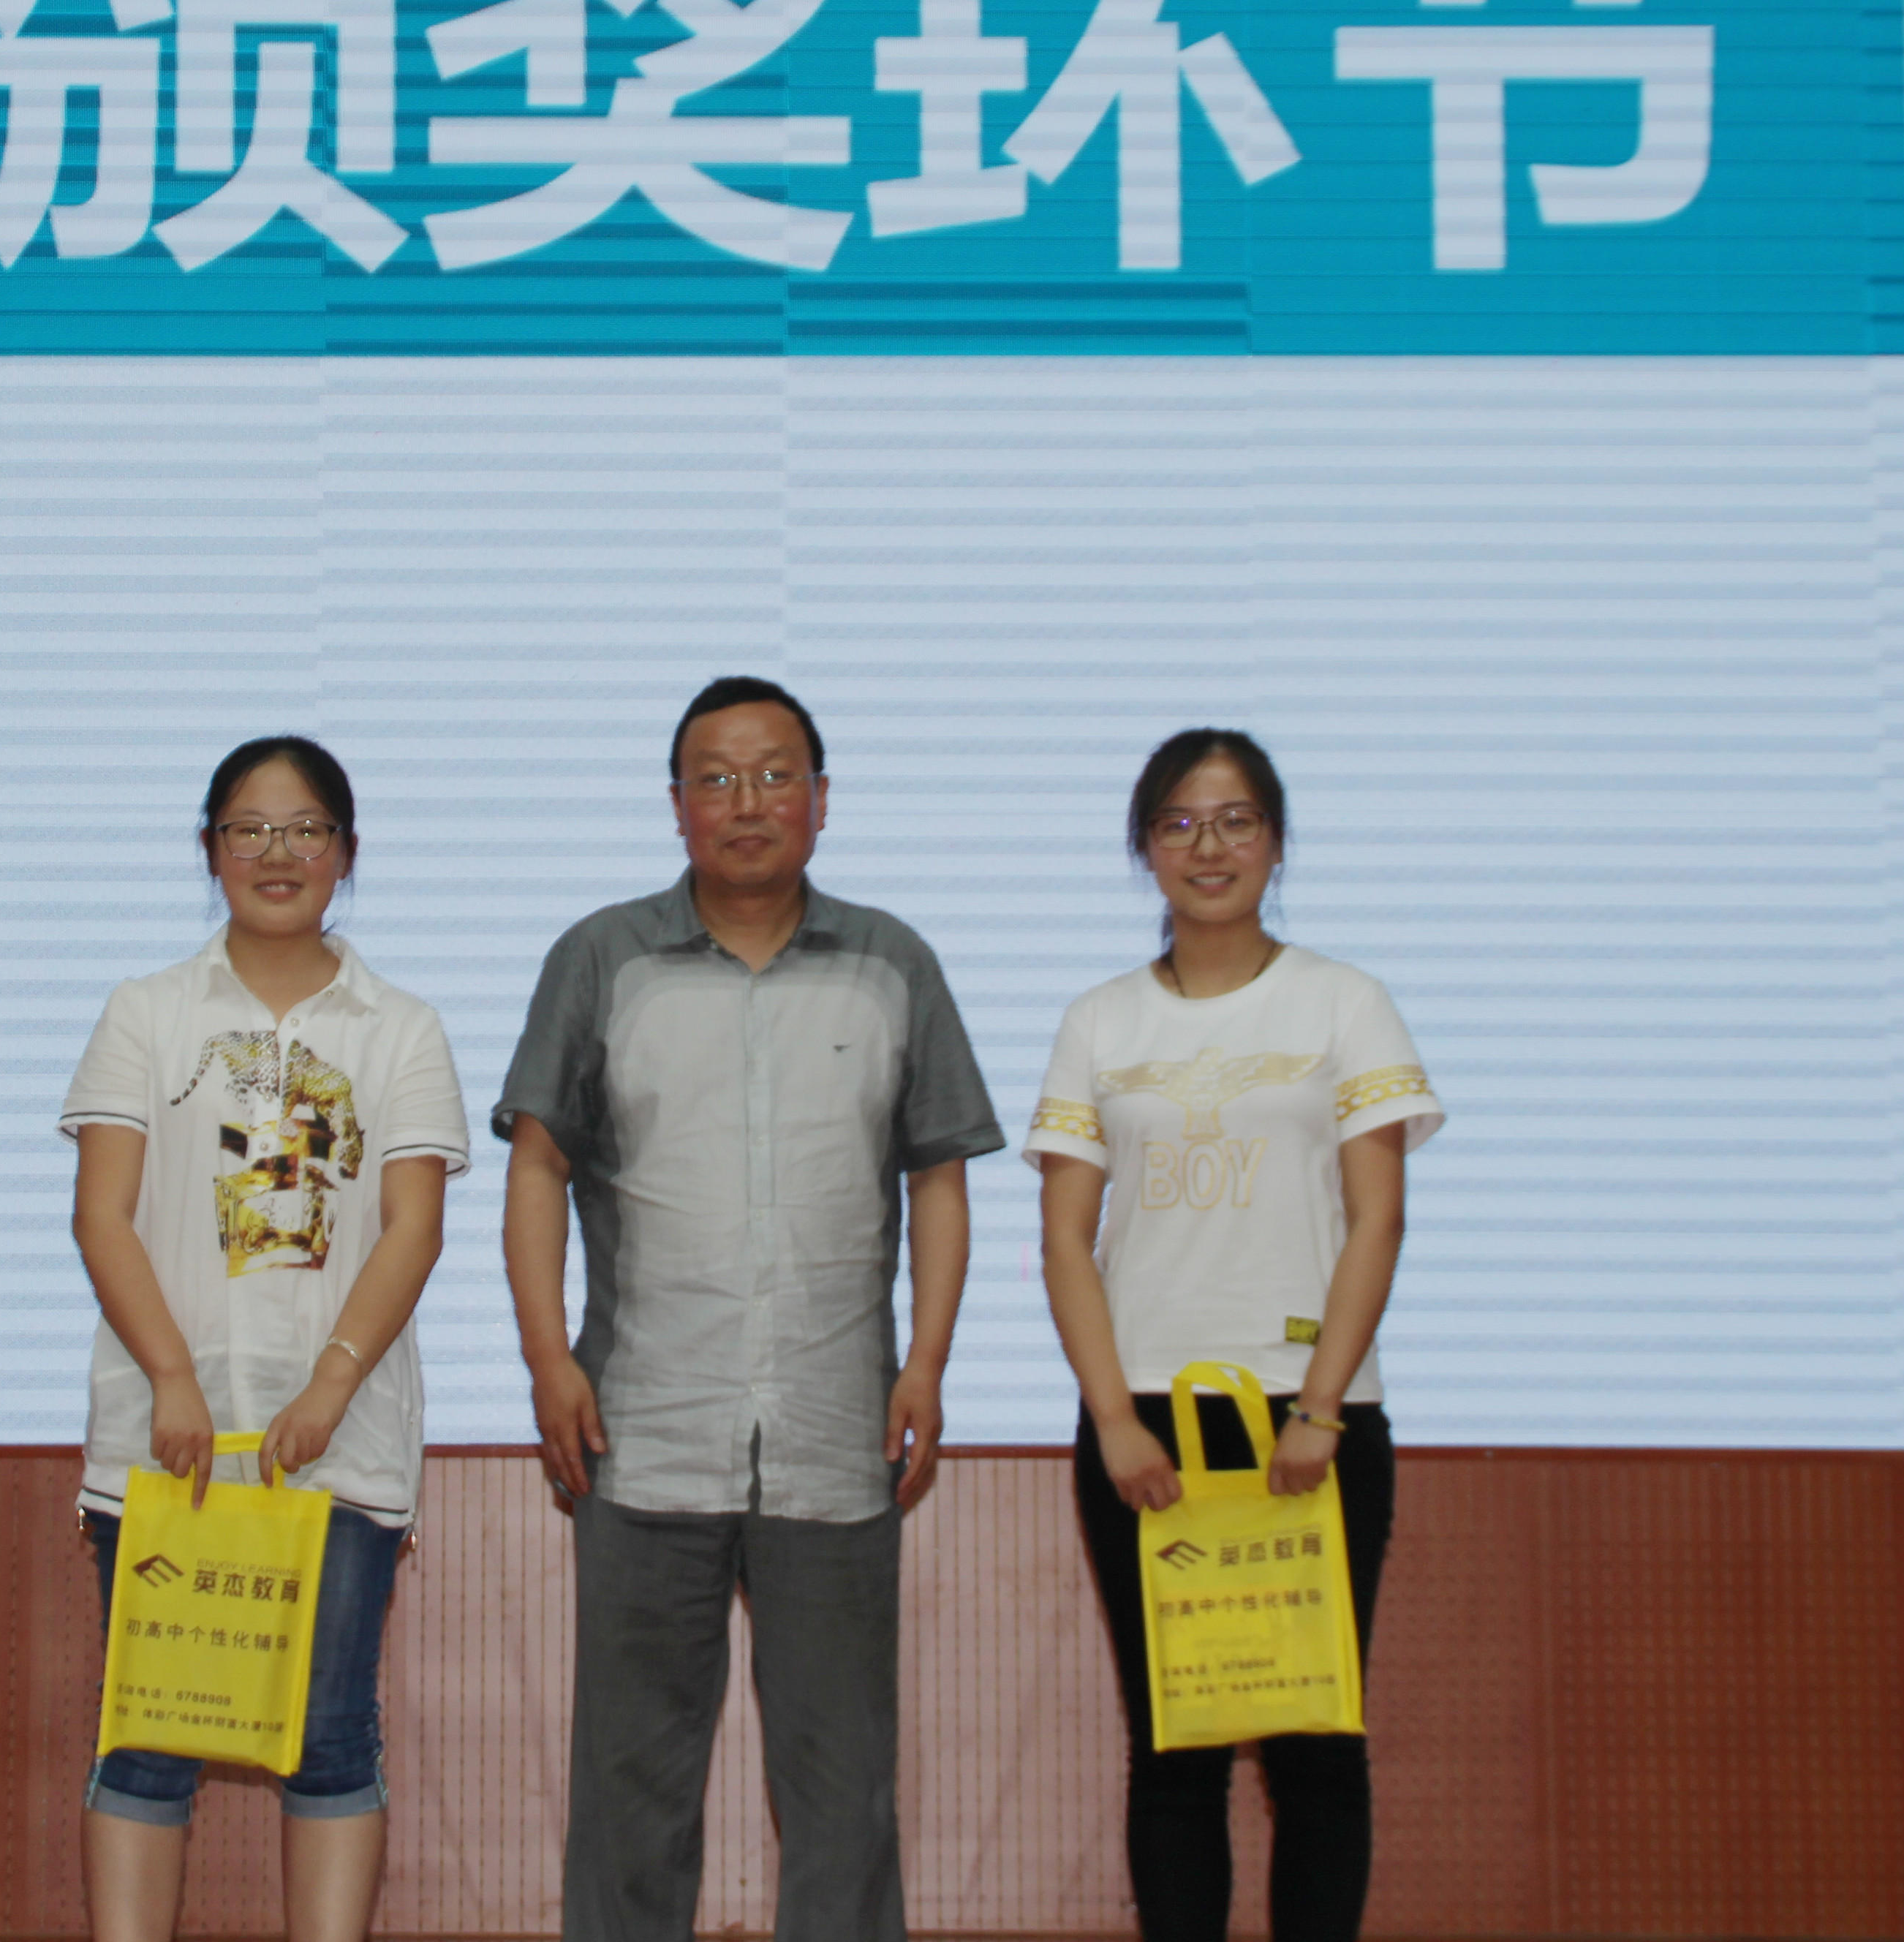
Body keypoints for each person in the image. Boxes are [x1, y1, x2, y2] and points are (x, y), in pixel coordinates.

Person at [499, 676, 1002, 1942]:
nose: (747, 803)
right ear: (676, 805)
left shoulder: (893, 964)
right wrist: (549, 1359)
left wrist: (928, 1364)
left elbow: (938, 1179)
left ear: (822, 799)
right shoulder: (603, 958)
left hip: (836, 1433)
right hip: (640, 1430)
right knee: (630, 1795)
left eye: (776, 776)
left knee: (844, 1799)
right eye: (716, 779)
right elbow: (538, 1167)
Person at [1029, 728, 1446, 1942]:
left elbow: (1378, 1219)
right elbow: (1066, 1241)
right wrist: (1114, 1419)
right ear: (1144, 845)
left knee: (1317, 1746)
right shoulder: (1099, 1019)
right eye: (1178, 822)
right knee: (1176, 1750)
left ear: (1275, 840)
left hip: (1313, 1419)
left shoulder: (1346, 1002)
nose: (1207, 847)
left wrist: (1318, 1408)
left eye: (1235, 820)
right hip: (1145, 1424)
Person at [62, 736, 469, 1942]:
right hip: (168, 1446)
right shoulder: (146, 1012)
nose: (277, 853)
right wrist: (172, 1378)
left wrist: (331, 1388)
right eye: (249, 829)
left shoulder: (401, 1026)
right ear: (210, 850)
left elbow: (411, 1227)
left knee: (328, 1732)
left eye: (305, 830)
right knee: (147, 1736)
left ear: (346, 852)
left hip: (336, 1448)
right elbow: (102, 1216)